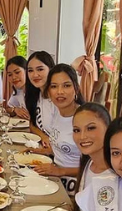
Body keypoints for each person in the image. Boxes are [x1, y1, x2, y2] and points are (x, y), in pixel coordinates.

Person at [48, 103, 113, 211]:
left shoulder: (114, 175)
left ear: (109, 129)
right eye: (77, 130)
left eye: (91, 128)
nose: (82, 136)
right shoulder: (88, 163)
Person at [32, 64, 84, 195]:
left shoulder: (84, 119)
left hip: (75, 189)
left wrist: (61, 171)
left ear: (76, 89)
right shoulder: (57, 112)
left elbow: (99, 167)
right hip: (55, 179)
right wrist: (44, 151)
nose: (60, 92)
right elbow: (67, 149)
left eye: (66, 85)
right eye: (54, 86)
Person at [25, 50, 56, 148]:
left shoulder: (58, 99)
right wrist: (43, 136)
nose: (34, 75)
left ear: (51, 69)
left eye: (40, 69)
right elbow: (32, 124)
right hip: (46, 149)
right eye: (30, 70)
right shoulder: (35, 95)